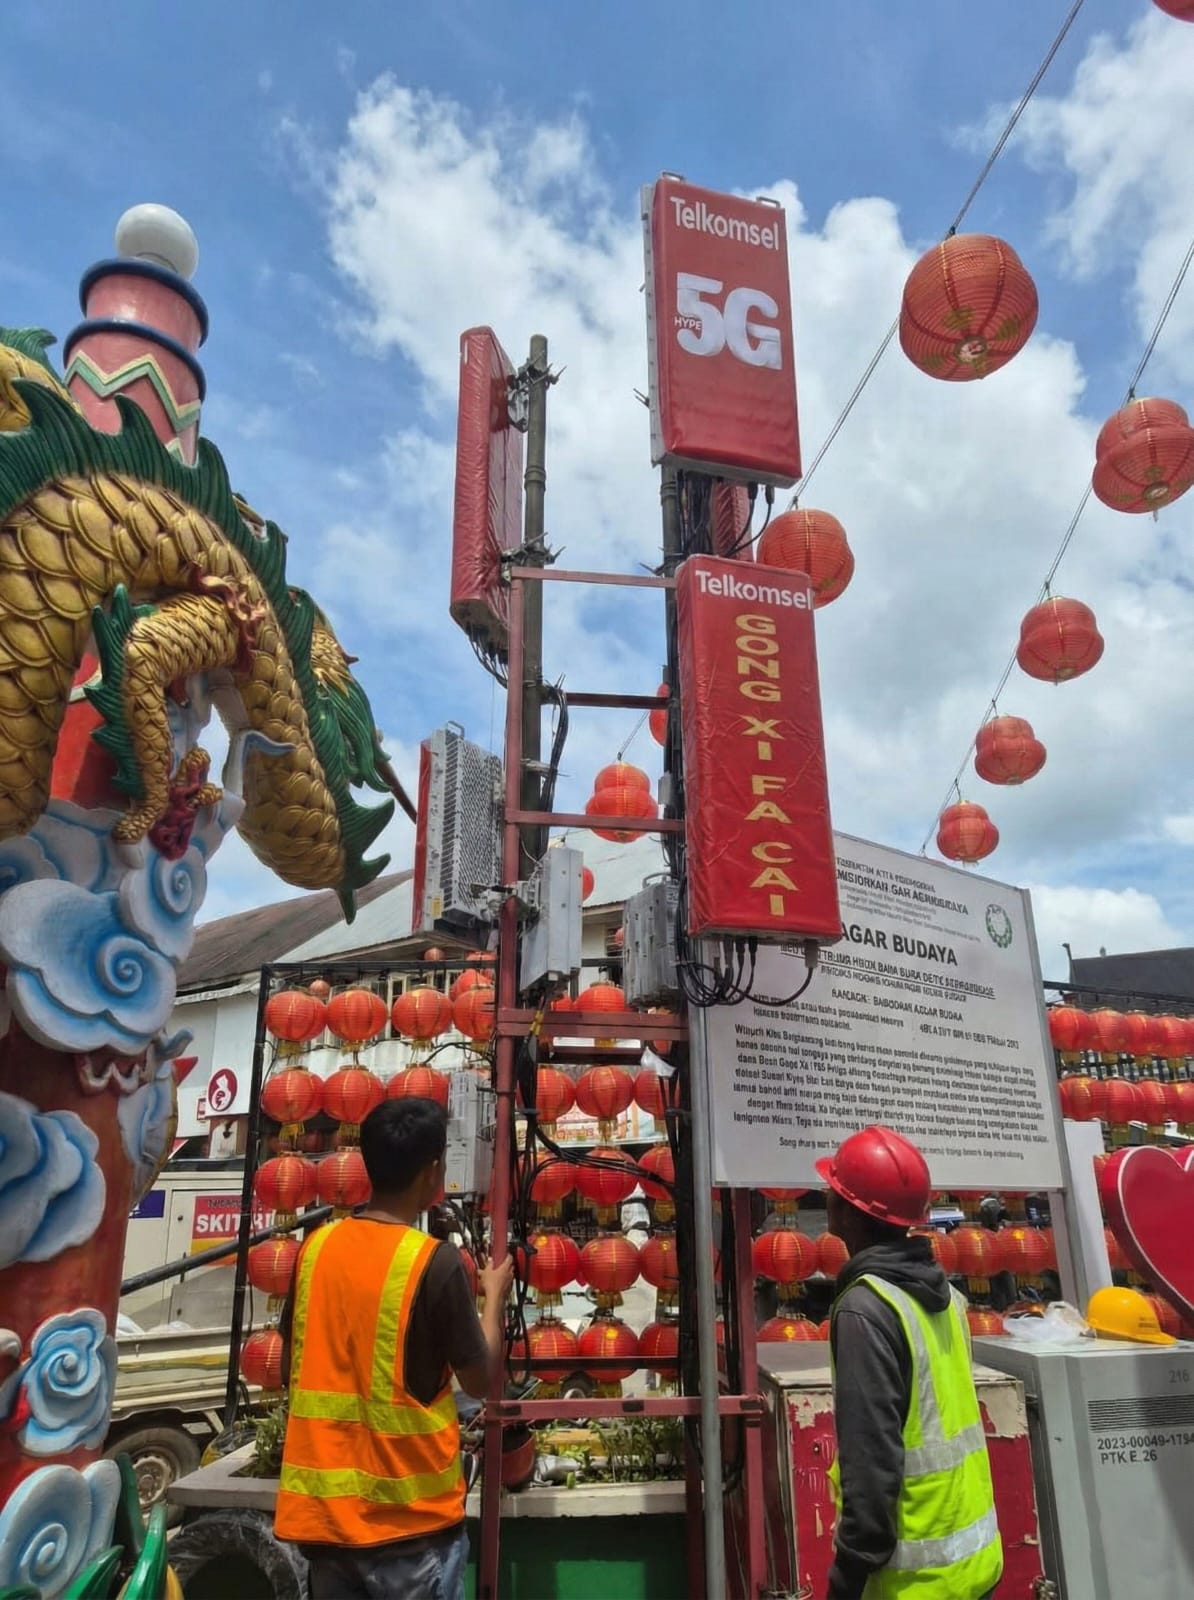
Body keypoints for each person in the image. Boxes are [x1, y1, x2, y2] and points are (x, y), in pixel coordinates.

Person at [275, 1097, 513, 1600]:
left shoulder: (314, 1250)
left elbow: (289, 1362)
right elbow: (481, 1380)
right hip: (410, 1527)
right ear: (433, 1172)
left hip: (326, 1527)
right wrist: (492, 1301)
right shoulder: (435, 1263)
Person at [817, 1126, 1003, 1600]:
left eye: (835, 1192)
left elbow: (871, 1456)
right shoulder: (945, 1297)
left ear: (849, 1213)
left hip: (912, 1581)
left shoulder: (866, 1308)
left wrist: (850, 1572)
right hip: (974, 1563)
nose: (827, 1199)